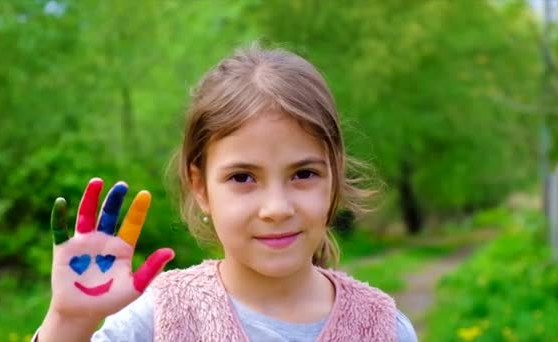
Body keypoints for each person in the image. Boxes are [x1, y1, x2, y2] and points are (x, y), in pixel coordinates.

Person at [34, 44, 418, 342]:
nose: (276, 208)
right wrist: (70, 320)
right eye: (242, 178)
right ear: (200, 187)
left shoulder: (383, 327)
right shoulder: (160, 319)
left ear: (334, 174)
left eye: (303, 173)